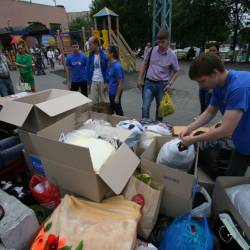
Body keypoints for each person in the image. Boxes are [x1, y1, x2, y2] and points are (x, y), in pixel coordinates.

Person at [180, 53, 250, 176]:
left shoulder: (238, 88)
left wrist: (192, 139)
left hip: (245, 139)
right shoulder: (219, 85)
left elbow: (226, 130)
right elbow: (209, 112)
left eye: (202, 81)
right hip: (242, 143)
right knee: (230, 181)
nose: (201, 86)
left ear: (215, 73)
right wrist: (189, 128)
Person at [137, 28, 180, 121]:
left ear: (168, 41)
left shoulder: (172, 55)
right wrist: (139, 79)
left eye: (162, 42)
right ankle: (145, 126)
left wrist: (170, 83)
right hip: (149, 83)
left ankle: (158, 129)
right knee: (145, 107)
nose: (160, 44)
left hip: (162, 85)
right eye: (158, 42)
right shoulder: (152, 50)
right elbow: (144, 63)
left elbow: (177, 71)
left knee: (160, 110)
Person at [86, 36, 109, 104]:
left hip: (102, 81)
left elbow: (108, 69)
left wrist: (106, 82)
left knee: (104, 103)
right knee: (94, 103)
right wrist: (89, 83)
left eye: (90, 44)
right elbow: (88, 69)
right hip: (93, 81)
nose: (89, 46)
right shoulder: (90, 55)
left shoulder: (104, 54)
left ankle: (105, 115)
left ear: (96, 44)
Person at [199, 44, 220, 114]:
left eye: (214, 50)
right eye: (210, 50)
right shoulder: (205, 60)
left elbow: (218, 76)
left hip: (210, 87)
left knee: (207, 103)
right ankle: (201, 115)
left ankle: (203, 117)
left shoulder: (218, 63)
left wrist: (213, 88)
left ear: (217, 51)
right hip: (202, 86)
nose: (212, 52)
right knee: (202, 102)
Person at [106, 45, 124, 116]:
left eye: (106, 52)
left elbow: (120, 83)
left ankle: (122, 124)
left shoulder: (117, 67)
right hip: (111, 91)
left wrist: (117, 96)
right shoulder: (110, 64)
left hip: (115, 92)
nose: (105, 53)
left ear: (111, 54)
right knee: (112, 108)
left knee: (118, 110)